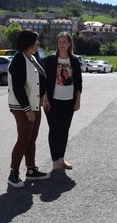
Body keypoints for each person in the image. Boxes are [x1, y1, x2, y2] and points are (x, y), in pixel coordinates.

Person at [7, 29, 51, 188]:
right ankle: (13, 174)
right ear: (28, 42)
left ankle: (31, 169)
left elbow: (39, 82)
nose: (38, 43)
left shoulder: (31, 57)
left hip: (35, 105)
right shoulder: (19, 59)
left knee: (31, 139)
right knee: (23, 140)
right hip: (23, 107)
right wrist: (27, 109)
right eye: (36, 41)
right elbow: (18, 88)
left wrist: (44, 100)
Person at [43, 32, 83, 172]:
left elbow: (78, 82)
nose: (61, 44)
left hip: (69, 101)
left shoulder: (74, 61)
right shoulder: (50, 60)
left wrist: (77, 100)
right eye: (59, 41)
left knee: (64, 130)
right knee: (54, 130)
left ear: (69, 43)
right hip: (53, 101)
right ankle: (54, 161)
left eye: (64, 41)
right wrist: (45, 98)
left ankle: (61, 158)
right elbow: (45, 82)